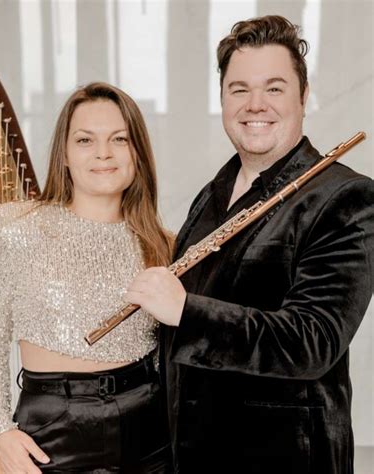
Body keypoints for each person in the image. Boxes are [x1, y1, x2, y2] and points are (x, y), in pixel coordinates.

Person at [124, 15, 374, 474]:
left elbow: (312, 341)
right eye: (239, 89)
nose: (255, 104)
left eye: (274, 88)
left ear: (303, 96)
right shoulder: (211, 196)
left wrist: (186, 312)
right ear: (222, 98)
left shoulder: (345, 197)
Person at [0, 82, 174, 473]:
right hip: (50, 430)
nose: (103, 153)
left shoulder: (164, 245)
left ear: (137, 153)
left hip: (148, 432)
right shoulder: (16, 228)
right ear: (63, 153)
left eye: (119, 139)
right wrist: (0, 431)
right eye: (85, 140)